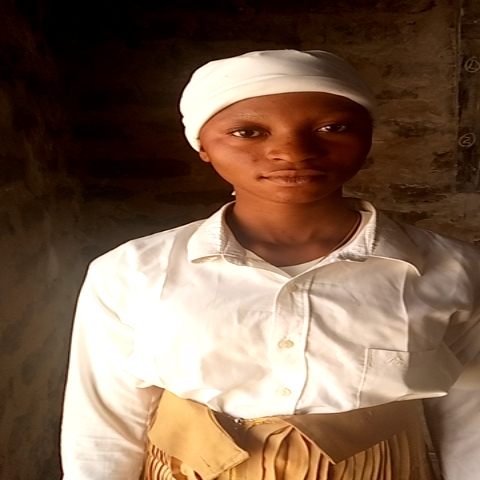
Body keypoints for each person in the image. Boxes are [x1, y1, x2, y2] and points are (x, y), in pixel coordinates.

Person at [61, 50, 480, 480]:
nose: (292, 152)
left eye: (332, 127)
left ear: (368, 134)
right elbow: (104, 421)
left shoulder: (454, 270)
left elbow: (471, 416)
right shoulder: (132, 271)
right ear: (203, 146)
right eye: (248, 132)